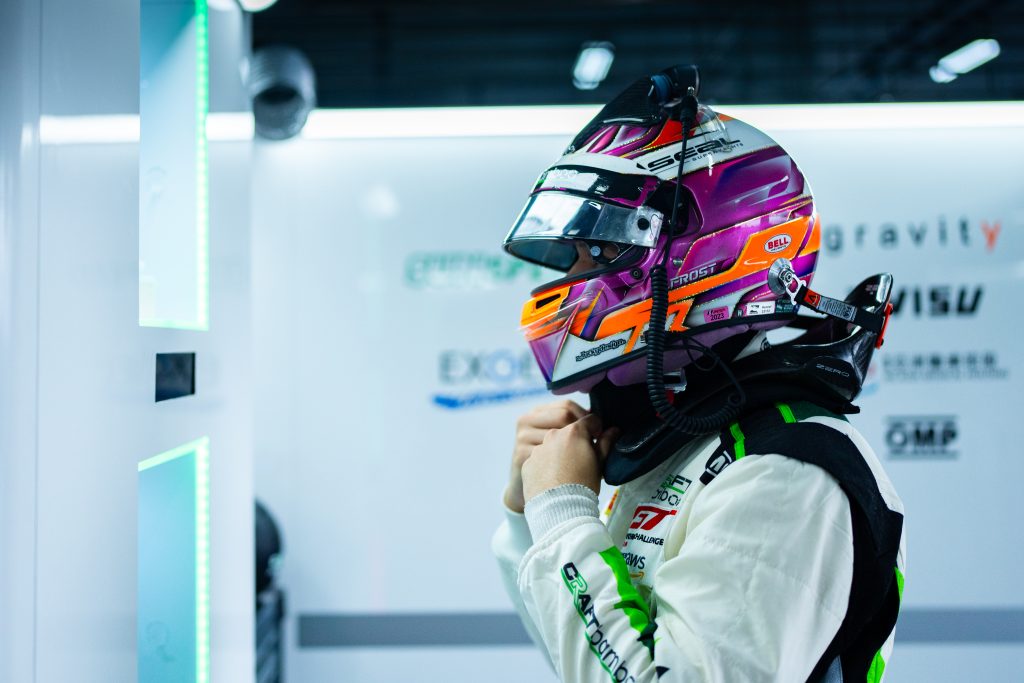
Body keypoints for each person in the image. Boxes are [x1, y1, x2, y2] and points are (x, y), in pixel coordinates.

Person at [491, 65, 906, 683]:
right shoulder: (686, 439)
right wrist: (530, 518)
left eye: (598, 252)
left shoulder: (781, 471)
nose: (573, 278)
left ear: (699, 252)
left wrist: (565, 513)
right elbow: (582, 657)